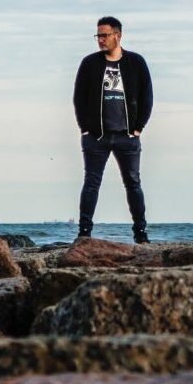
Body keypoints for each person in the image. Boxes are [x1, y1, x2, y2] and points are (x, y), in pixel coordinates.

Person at [72, 16, 152, 243]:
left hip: (127, 136)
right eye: (98, 35)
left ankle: (141, 233)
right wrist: (85, 129)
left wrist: (138, 128)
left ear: (118, 35)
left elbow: (147, 96)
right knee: (91, 183)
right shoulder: (89, 63)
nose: (100, 40)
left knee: (133, 183)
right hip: (96, 137)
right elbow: (79, 97)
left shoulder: (136, 62)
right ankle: (84, 233)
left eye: (104, 35)